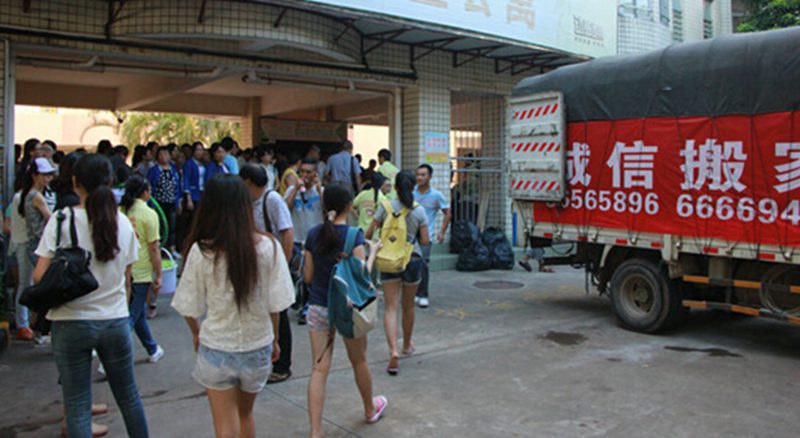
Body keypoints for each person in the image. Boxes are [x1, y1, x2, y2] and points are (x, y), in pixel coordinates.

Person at [34, 154, 149, 437]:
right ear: (110, 182)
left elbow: (39, 276)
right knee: (129, 397)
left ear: (75, 182)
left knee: (76, 405)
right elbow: (127, 279)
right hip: (115, 320)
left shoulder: (61, 220)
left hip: (69, 321)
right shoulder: (122, 223)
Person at [172, 174, 294, 438]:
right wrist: (274, 339)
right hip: (258, 345)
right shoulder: (268, 247)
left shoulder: (202, 250)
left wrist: (196, 332)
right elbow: (276, 305)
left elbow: (188, 305)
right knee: (245, 414)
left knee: (225, 425)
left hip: (216, 346)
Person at [303, 184, 387, 437]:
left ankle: (315, 431)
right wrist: (373, 252)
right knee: (359, 360)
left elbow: (308, 277)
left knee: (319, 369)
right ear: (349, 206)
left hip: (318, 306)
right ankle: (370, 409)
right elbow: (362, 277)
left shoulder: (313, 234)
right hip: (349, 309)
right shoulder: (354, 235)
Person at [366, 170, 429, 376]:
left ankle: (392, 350)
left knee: (390, 307)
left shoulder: (385, 207)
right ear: (413, 187)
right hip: (412, 259)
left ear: (395, 187)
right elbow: (425, 240)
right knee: (408, 306)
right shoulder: (418, 211)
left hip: (388, 260)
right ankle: (407, 345)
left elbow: (369, 232)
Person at [240, 163, 296, 384]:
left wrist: (283, 265)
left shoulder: (272, 200)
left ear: (248, 183)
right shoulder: (245, 202)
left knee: (279, 315)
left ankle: (282, 366)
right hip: (254, 266)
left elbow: (287, 232)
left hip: (273, 264)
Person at [120, 176, 166, 364]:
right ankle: (114, 356)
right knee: (131, 316)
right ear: (145, 192)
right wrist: (159, 274)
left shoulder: (120, 211)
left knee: (137, 312)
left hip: (122, 269)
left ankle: (152, 348)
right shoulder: (149, 214)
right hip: (141, 271)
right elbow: (154, 248)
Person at [20, 157, 57, 343]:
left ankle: (37, 328)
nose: (48, 179)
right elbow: (51, 219)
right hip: (39, 245)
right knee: (45, 288)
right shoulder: (36, 196)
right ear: (34, 176)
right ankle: (39, 329)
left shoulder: (29, 194)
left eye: (49, 175)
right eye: (44, 175)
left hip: (34, 244)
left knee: (40, 286)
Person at [284, 159, 324, 325]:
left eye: (308, 172)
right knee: (299, 274)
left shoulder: (320, 191)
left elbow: (328, 210)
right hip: (298, 239)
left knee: (311, 275)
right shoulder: (292, 190)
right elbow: (285, 208)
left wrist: (319, 190)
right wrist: (295, 189)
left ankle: (307, 306)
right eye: (302, 172)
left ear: (315, 174)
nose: (304, 175)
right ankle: (301, 302)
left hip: (316, 240)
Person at [413, 164, 452, 308]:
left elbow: (447, 213)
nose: (420, 177)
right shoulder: (411, 193)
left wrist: (442, 232)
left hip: (426, 235)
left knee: (423, 264)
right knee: (411, 265)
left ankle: (423, 294)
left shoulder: (436, 195)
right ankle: (413, 293)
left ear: (430, 177)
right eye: (418, 174)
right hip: (410, 234)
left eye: (423, 175)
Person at [147, 146, 181, 252]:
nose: (163, 157)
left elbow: (178, 186)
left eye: (166, 154)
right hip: (158, 203)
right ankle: (160, 248)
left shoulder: (173, 169)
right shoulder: (154, 170)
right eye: (161, 154)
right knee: (160, 226)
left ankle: (172, 248)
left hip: (171, 202)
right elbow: (149, 186)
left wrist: (179, 201)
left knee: (172, 226)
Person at [181, 142, 206, 250]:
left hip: (201, 193)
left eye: (201, 150)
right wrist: (188, 197)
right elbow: (186, 179)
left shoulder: (203, 163)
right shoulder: (189, 164)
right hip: (193, 194)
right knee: (192, 220)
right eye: (198, 150)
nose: (200, 152)